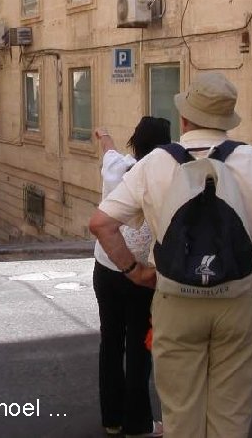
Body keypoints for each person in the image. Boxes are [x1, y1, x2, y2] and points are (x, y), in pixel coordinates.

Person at [89, 72, 252, 438]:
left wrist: (134, 270)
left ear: (185, 118)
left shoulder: (154, 164)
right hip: (239, 298)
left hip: (176, 299)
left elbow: (101, 223)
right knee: (230, 415)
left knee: (182, 415)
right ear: (227, 120)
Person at [93, 117, 170, 437]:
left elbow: (108, 148)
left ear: (134, 144)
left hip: (106, 267)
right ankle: (138, 423)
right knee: (140, 347)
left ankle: (112, 419)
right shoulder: (165, 177)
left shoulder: (117, 167)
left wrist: (105, 133)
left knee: (111, 342)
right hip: (141, 275)